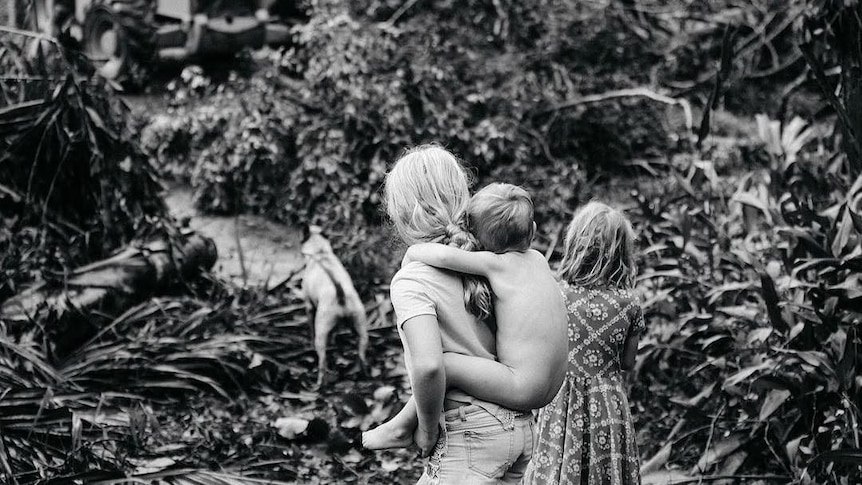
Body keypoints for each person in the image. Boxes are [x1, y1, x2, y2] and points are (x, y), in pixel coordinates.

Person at [371, 144, 543, 484]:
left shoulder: (412, 280)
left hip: (469, 434)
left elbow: (430, 365)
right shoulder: (495, 260)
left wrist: (427, 428)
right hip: (520, 428)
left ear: (400, 214)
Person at [363, 182, 567, 451]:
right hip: (552, 388)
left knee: (443, 364)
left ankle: (405, 425)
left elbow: (445, 258)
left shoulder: (497, 264)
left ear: (482, 243)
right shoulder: (539, 260)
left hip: (521, 385)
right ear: (533, 231)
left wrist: (412, 253)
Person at [524, 201, 644, 485]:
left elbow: (541, 348)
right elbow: (627, 363)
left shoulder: (556, 294)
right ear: (621, 252)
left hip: (560, 398)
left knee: (557, 464)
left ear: (576, 244)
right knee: (605, 470)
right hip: (608, 403)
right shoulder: (629, 303)